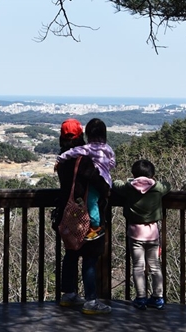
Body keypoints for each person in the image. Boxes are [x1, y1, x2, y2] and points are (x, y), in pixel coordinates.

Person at [52, 118, 112, 314]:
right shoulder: (84, 159)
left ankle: (68, 294)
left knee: (70, 254)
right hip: (86, 214)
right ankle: (91, 302)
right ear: (80, 135)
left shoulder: (63, 158)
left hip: (66, 214)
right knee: (89, 257)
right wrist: (108, 188)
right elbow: (99, 184)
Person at [112, 159, 171, 310]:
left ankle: (141, 298)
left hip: (135, 232)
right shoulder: (157, 188)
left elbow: (115, 184)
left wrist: (128, 181)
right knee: (155, 266)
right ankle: (158, 298)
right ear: (152, 174)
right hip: (152, 232)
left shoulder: (128, 187)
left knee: (138, 266)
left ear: (133, 174)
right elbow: (167, 185)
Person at [56, 118, 115, 240]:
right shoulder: (90, 156)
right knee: (91, 254)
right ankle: (96, 227)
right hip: (85, 213)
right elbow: (110, 165)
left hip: (69, 213)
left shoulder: (74, 155)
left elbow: (70, 153)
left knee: (71, 252)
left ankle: (94, 227)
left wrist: (60, 159)